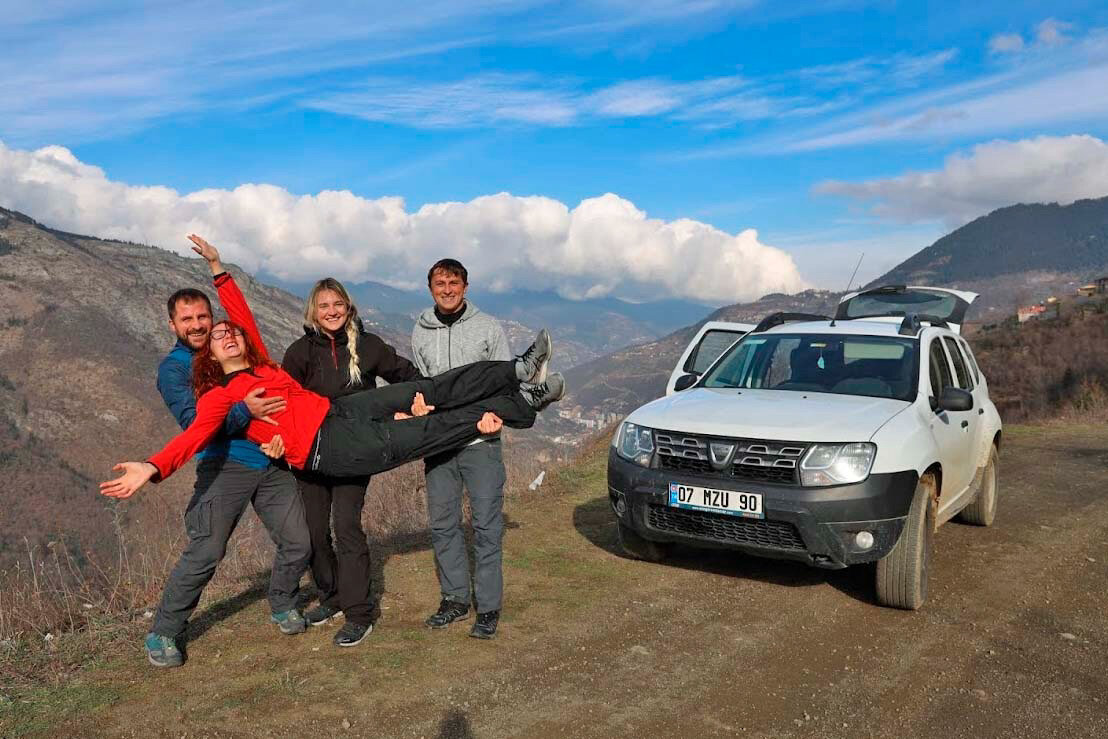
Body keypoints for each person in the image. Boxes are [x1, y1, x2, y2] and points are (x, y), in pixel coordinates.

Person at [100, 242, 564, 517]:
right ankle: (525, 404)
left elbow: (241, 314)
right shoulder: (221, 397)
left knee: (432, 388)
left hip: (339, 411)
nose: (224, 333)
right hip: (331, 449)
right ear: (213, 358)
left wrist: (219, 271)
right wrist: (152, 466)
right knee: (433, 429)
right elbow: (197, 436)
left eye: (228, 330)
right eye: (217, 337)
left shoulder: (261, 364)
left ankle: (518, 371)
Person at [143, 235, 312, 669]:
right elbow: (193, 425)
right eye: (187, 319)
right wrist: (245, 411)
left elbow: (245, 322)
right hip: (225, 466)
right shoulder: (175, 369)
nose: (197, 325)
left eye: (202, 316)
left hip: (270, 462)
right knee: (207, 549)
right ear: (173, 325)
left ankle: (281, 601)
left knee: (298, 541)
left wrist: (278, 434)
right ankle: (164, 631)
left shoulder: (226, 351)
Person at [281, 278, 422, 647]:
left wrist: (409, 408)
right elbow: (284, 403)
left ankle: (359, 613)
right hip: (311, 456)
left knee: (346, 526)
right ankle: (333, 598)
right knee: (313, 531)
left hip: (356, 453)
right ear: (314, 310)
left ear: (348, 307)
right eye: (324, 306)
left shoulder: (370, 346)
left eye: (337, 304)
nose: (331, 311)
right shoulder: (299, 353)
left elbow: (408, 378)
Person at [412, 258, 520, 639]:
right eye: (439, 283)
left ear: (466, 286)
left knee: (487, 525)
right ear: (430, 289)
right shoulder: (420, 330)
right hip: (439, 441)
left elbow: (505, 383)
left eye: (453, 282)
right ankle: (455, 599)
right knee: (443, 524)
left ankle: (488, 608)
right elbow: (422, 382)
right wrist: (417, 405)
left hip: (480, 441)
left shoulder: (488, 328)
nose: (447, 289)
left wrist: (496, 415)